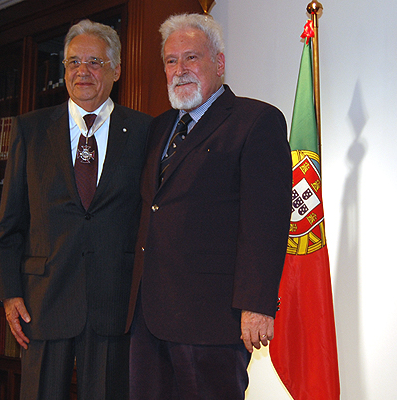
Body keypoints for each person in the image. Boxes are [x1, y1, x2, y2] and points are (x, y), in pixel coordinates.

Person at [126, 13, 292, 399]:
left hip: (211, 321)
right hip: (147, 318)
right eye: (170, 61)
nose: (179, 70)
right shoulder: (157, 127)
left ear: (218, 63)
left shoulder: (257, 121)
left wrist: (257, 304)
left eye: (191, 58)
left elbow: (265, 221)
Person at [0, 19, 152, 400]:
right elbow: (10, 223)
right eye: (73, 61)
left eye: (94, 62)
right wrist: (10, 293)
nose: (83, 71)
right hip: (42, 303)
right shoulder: (31, 130)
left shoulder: (146, 131)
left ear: (116, 70)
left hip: (115, 303)